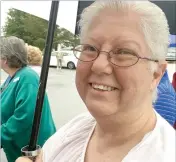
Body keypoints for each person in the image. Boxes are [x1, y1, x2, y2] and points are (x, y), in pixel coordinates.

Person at [16, 1, 175, 162]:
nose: (99, 65)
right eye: (90, 48)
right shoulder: (69, 134)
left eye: (124, 51)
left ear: (156, 74)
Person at [0, 36, 56, 162]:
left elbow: (24, 116)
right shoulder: (12, 78)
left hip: (33, 151)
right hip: (19, 148)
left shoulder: (27, 78)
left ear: (5, 59)